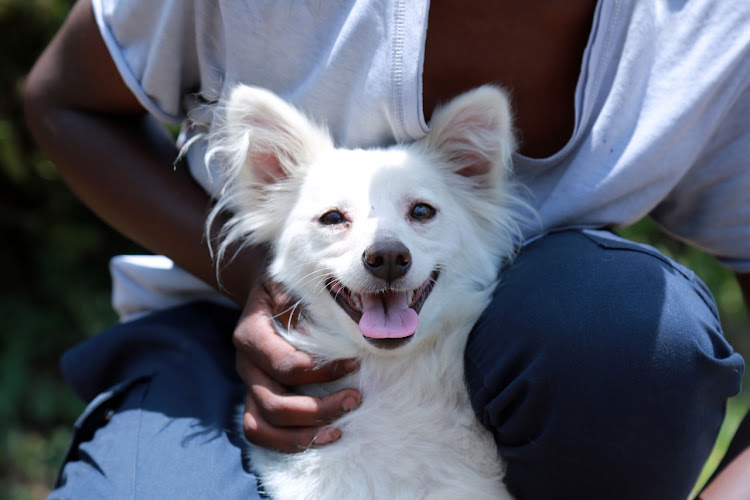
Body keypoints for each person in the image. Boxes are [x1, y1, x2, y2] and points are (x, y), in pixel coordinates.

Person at [23, 0, 749, 498]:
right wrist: (255, 280)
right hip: (212, 330)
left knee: (625, 329)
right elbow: (63, 97)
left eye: (420, 214)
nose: (384, 248)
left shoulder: (715, 33)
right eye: (338, 219)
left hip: (525, 345)